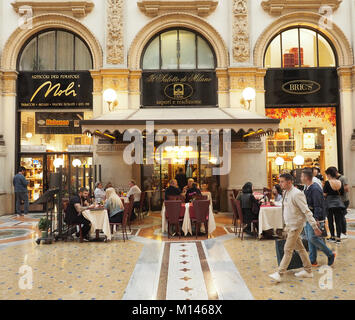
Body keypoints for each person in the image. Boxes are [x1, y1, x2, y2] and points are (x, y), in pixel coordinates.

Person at [269, 173, 322, 283]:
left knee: (287, 250)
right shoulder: (286, 193)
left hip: (295, 226)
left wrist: (314, 226)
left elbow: (306, 211)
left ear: (289, 182)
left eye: (282, 181)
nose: (280, 184)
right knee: (300, 249)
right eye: (280, 181)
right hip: (290, 225)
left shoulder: (297, 194)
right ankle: (308, 271)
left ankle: (280, 273)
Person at [301, 169, 336, 267]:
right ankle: (312, 260)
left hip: (315, 217)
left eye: (302, 176)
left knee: (312, 238)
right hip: (309, 216)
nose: (300, 178)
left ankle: (330, 254)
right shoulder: (307, 188)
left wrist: (316, 219)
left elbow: (318, 205)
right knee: (310, 238)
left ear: (306, 177)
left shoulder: (315, 188)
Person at [323, 167, 345, 244]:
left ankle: (332, 237)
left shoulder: (327, 182)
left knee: (330, 221)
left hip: (329, 203)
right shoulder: (339, 182)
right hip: (338, 203)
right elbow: (342, 193)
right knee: (338, 221)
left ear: (329, 174)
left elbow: (325, 194)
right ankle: (338, 238)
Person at [331, 167, 350, 240]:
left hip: (344, 200)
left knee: (341, 217)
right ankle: (341, 232)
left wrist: (337, 187)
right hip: (338, 201)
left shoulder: (343, 178)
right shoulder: (335, 179)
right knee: (339, 217)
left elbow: (347, 188)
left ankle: (344, 232)